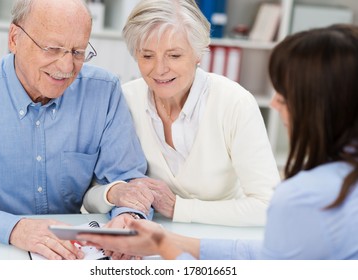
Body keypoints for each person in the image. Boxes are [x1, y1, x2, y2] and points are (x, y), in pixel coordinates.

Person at [79, 24, 358, 259]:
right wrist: (163, 242)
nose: (274, 102)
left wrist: (178, 214)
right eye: (147, 55)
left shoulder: (305, 197)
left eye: (285, 92)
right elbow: (261, 255)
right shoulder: (125, 98)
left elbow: (264, 263)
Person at [0, 0, 154, 260]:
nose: (67, 68)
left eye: (78, 52)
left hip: (70, 257)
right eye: (52, 49)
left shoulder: (103, 91)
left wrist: (128, 217)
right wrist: (14, 228)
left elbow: (126, 178)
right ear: (14, 39)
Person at [84, 0, 280, 227]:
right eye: (147, 56)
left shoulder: (234, 102)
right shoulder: (124, 100)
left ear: (198, 54)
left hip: (217, 238)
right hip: (148, 239)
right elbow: (90, 197)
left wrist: (178, 207)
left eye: (174, 55)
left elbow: (269, 206)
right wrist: (115, 192)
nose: (159, 69)